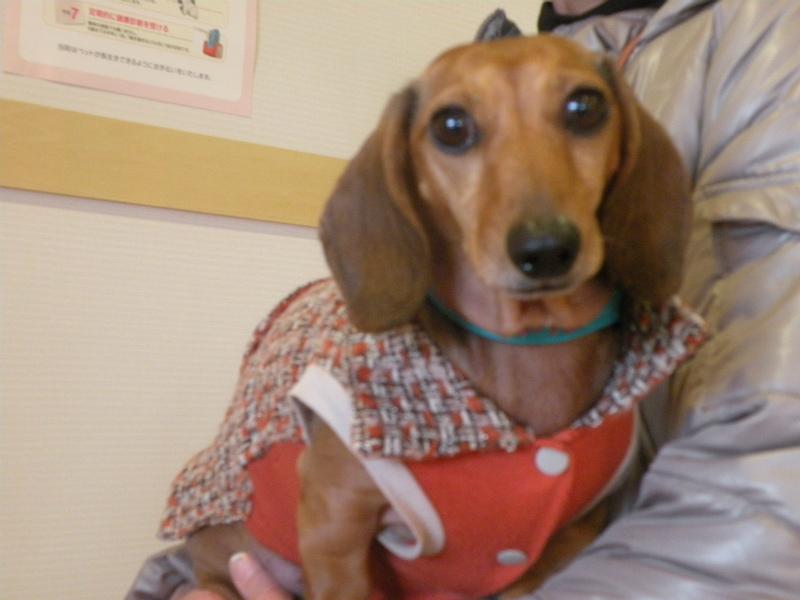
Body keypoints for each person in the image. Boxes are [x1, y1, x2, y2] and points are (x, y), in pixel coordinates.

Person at [127, 1, 800, 598]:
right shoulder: (368, 394)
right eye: (455, 130)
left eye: (579, 113)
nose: (538, 223)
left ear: (628, 147)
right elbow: (300, 521)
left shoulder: (763, 38)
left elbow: (766, 501)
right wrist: (189, 584)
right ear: (409, 177)